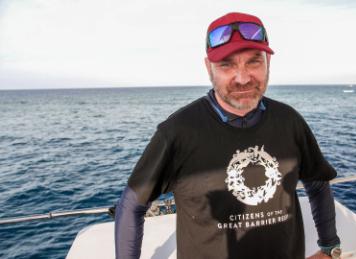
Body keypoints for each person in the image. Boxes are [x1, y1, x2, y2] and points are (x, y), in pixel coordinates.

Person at [115, 12, 341, 259]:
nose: (243, 78)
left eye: (254, 62)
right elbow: (132, 205)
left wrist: (330, 248)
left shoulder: (289, 121)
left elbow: (317, 183)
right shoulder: (178, 132)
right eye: (227, 64)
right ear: (208, 68)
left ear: (268, 63)